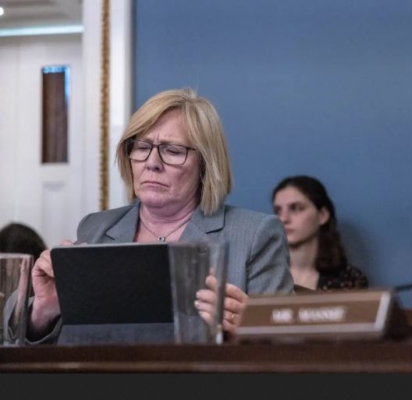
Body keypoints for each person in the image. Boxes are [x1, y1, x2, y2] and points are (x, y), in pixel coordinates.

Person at [27, 87, 294, 343]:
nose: (152, 163)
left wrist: (252, 330)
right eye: (142, 148)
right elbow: (60, 342)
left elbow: (288, 345)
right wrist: (44, 311)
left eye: (173, 151)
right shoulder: (95, 228)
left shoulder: (256, 234)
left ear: (206, 165)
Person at [272, 175, 369, 291]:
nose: (283, 219)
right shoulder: (258, 278)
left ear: (322, 215)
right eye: (278, 211)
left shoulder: (349, 280)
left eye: (296, 208)